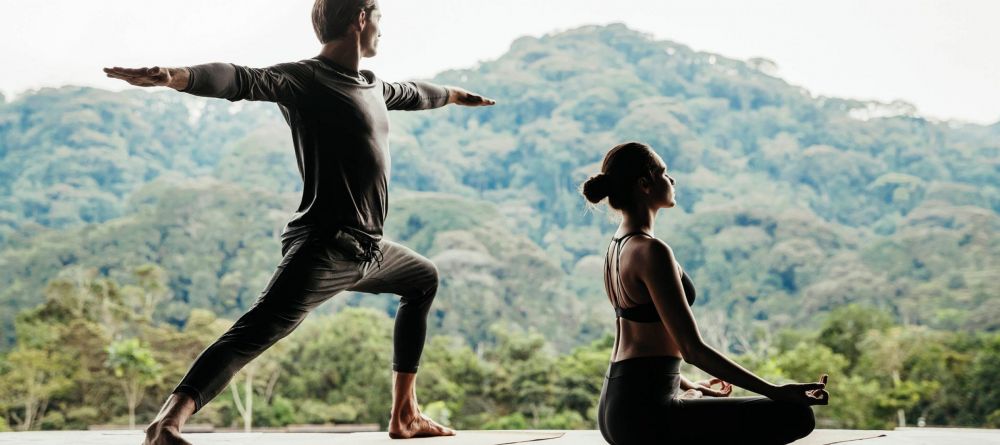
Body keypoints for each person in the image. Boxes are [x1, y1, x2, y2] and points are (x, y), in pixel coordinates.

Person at [104, 1, 494, 443]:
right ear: (360, 19)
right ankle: (164, 426)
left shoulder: (371, 85)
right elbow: (238, 78)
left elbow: (417, 92)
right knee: (251, 334)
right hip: (325, 246)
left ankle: (405, 415)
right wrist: (175, 76)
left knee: (423, 278)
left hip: (369, 250)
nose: (382, 31)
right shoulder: (305, 79)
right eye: (379, 20)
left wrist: (456, 94)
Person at [581, 142, 830, 445]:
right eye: (664, 173)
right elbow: (692, 349)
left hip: (617, 407)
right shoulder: (651, 251)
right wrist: (775, 390)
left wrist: (687, 385)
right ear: (645, 184)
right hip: (645, 413)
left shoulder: (616, 247)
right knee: (796, 415)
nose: (671, 181)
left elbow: (639, 340)